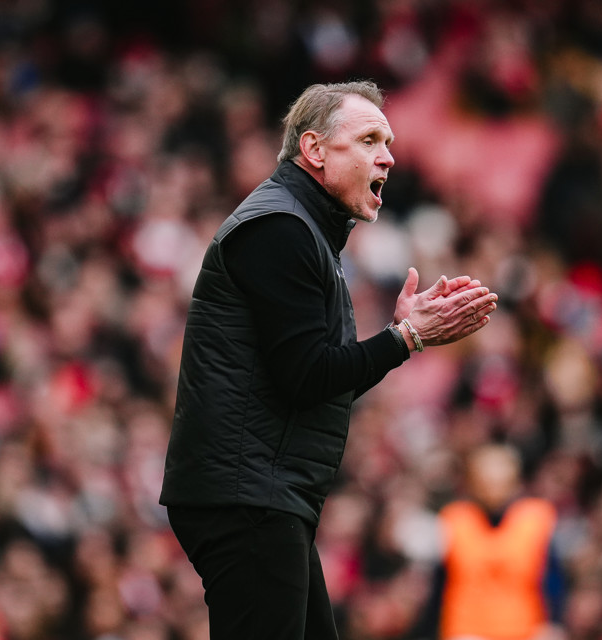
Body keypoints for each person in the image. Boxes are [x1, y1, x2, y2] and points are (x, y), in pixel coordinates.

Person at [159, 80, 499, 640]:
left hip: (257, 493)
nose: (387, 155)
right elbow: (306, 377)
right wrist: (407, 338)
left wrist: (399, 334)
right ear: (314, 150)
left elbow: (310, 380)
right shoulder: (282, 229)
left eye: (387, 141)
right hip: (248, 495)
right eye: (368, 139)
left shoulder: (300, 229)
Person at [414, 443, 561, 640]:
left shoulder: (536, 518)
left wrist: (556, 623)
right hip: (467, 629)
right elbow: (439, 583)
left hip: (526, 628)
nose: (493, 489)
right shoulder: (454, 519)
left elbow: (554, 578)